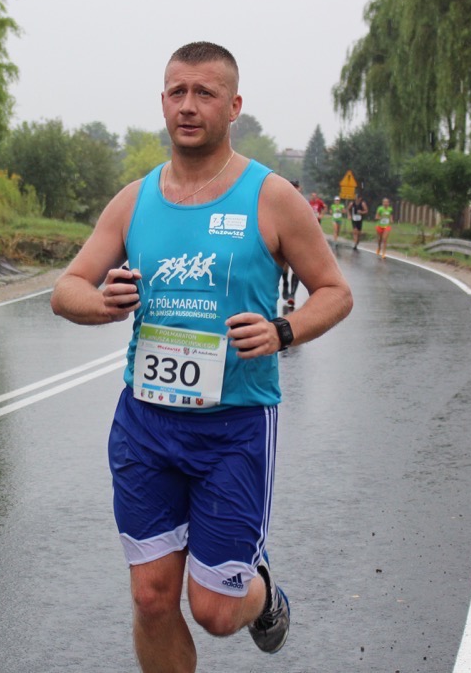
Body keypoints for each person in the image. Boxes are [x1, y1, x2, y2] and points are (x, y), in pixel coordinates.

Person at [50, 41, 352, 672]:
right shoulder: (135, 200)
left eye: (204, 93)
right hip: (146, 423)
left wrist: (283, 331)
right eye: (177, 92)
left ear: (233, 106)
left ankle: (261, 595)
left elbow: (334, 292)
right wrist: (100, 302)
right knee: (151, 598)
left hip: (234, 426)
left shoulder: (270, 196)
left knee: (215, 611)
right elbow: (66, 289)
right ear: (163, 102)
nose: (188, 106)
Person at [280, 180, 305, 306]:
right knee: (285, 266)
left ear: (300, 189)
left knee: (297, 268)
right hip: (284, 236)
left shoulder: (303, 204)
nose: (295, 190)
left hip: (299, 238)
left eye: (297, 187)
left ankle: (292, 294)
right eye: (293, 187)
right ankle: (285, 283)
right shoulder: (282, 202)